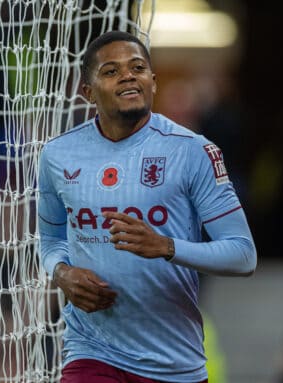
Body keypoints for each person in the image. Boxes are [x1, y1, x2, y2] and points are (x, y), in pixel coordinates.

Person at [37, 31, 257, 383]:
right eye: (110, 71)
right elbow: (50, 240)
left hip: (172, 361)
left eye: (137, 67)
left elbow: (243, 255)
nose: (127, 75)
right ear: (87, 92)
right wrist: (62, 273)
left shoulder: (193, 151)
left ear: (152, 82)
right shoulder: (57, 155)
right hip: (91, 349)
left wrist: (167, 247)